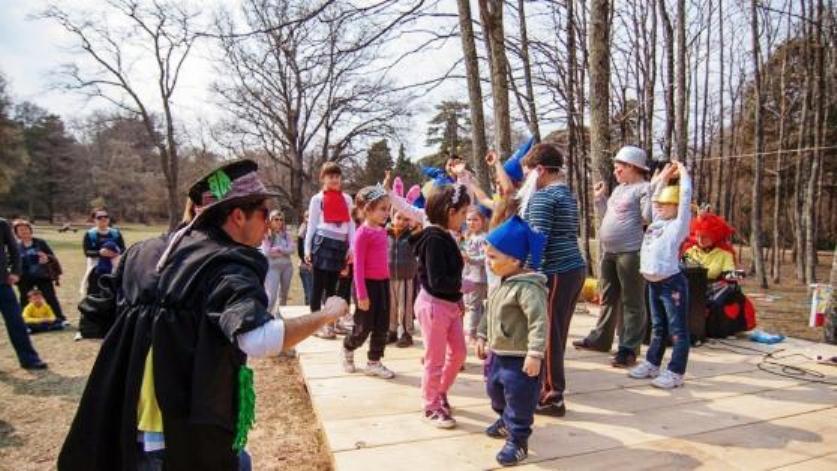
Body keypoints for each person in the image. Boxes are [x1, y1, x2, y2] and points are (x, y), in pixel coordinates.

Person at [58, 160, 350, 470]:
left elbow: (94, 318)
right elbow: (259, 339)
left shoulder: (142, 251)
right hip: (185, 436)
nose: (269, 223)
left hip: (125, 425)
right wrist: (327, 313)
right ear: (238, 215)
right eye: (264, 213)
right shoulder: (230, 264)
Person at [521, 144, 587, 417]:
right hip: (574, 269)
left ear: (539, 170)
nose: (526, 181)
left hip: (557, 271)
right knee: (556, 333)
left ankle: (552, 396)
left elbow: (537, 241)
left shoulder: (543, 198)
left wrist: (523, 273)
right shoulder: (566, 195)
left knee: (548, 334)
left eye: (527, 174)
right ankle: (548, 387)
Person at [476, 215, 547, 467]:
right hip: (499, 354)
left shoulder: (528, 288)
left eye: (493, 257)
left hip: (521, 359)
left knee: (519, 400)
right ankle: (504, 419)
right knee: (494, 391)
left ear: (515, 260)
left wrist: (535, 353)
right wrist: (482, 334)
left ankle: (518, 440)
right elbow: (490, 311)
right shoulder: (503, 283)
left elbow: (539, 322)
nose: (488, 261)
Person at [574, 146, 653, 369]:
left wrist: (654, 190)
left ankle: (628, 349)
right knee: (607, 297)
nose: (616, 170)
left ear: (633, 167)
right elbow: (609, 215)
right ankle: (601, 339)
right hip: (610, 252)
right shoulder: (619, 190)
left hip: (631, 252)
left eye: (620, 166)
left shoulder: (645, 188)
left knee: (632, 302)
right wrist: (600, 200)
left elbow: (648, 217)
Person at [412, 184, 472, 429]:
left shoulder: (446, 236)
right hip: (434, 306)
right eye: (463, 214)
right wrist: (462, 288)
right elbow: (437, 280)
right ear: (450, 211)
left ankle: (440, 391)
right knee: (434, 359)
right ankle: (431, 405)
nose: (465, 220)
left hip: (449, 305)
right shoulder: (434, 239)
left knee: (458, 353)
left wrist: (458, 299)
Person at [629, 162, 693, 389]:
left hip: (671, 283)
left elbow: (685, 198)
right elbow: (654, 195)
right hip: (652, 283)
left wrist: (683, 173)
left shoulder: (678, 225)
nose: (661, 206)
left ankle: (676, 372)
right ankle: (652, 363)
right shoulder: (657, 223)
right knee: (657, 326)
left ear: (676, 207)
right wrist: (664, 178)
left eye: (667, 204)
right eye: (660, 204)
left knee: (677, 329)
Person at [341, 186, 396, 379]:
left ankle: (374, 362)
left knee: (382, 325)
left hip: (382, 284)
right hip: (366, 286)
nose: (386, 213)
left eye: (388, 208)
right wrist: (362, 295)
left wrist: (387, 287)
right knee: (363, 328)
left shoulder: (382, 231)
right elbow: (358, 268)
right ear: (368, 209)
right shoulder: (362, 234)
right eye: (382, 208)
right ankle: (348, 347)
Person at [305, 162, 355, 339]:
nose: (334, 179)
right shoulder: (317, 200)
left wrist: (352, 247)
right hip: (322, 243)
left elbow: (351, 225)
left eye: (337, 176)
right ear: (323, 178)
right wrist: (307, 249)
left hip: (339, 246)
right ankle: (314, 324)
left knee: (332, 288)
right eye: (330, 176)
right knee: (317, 286)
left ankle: (330, 323)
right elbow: (311, 226)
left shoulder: (348, 199)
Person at [0, 217, 47, 370]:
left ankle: (29, 359)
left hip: (2, 283)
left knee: (16, 321)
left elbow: (14, 250)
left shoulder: (2, 224)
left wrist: (15, 272)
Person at [12, 219, 65, 323]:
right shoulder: (15, 246)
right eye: (21, 230)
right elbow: (11, 260)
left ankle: (60, 318)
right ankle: (24, 321)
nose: (24, 232)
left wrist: (47, 258)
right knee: (25, 298)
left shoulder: (40, 243)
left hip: (42, 275)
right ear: (16, 233)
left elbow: (52, 257)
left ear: (30, 230)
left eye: (26, 229)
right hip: (24, 278)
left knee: (50, 297)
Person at [387, 209, 418, 348]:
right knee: (390, 305)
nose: (401, 222)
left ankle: (406, 333)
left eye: (406, 219)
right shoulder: (385, 233)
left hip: (406, 276)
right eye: (398, 217)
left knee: (404, 307)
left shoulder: (412, 235)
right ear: (392, 217)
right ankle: (391, 330)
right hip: (388, 275)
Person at [81, 207, 126, 298]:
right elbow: (87, 252)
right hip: (96, 268)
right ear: (94, 220)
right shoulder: (90, 234)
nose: (103, 219)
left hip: (114, 267)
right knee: (95, 293)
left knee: (115, 292)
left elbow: (123, 249)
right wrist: (100, 253)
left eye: (106, 216)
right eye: (99, 217)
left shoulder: (115, 233)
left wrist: (116, 253)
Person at [462, 206, 488, 342]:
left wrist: (470, 259)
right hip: (467, 276)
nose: (471, 222)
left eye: (475, 220)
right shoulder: (466, 236)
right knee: (475, 306)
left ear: (482, 221)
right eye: (469, 220)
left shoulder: (483, 238)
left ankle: (472, 333)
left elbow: (485, 258)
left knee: (473, 306)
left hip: (478, 278)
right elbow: (462, 251)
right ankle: (482, 331)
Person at [262, 210, 295, 312]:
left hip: (287, 267)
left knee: (283, 295)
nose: (279, 222)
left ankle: (279, 316)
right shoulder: (266, 234)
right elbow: (267, 252)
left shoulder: (286, 234)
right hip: (272, 268)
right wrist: (283, 250)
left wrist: (279, 249)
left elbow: (292, 249)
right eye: (276, 219)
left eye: (281, 220)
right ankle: (266, 317)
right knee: (272, 296)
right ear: (270, 220)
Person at [297, 211, 313, 305]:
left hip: (316, 267)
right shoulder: (302, 232)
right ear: (304, 218)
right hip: (305, 267)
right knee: (309, 294)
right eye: (307, 216)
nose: (309, 218)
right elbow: (300, 251)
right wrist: (307, 263)